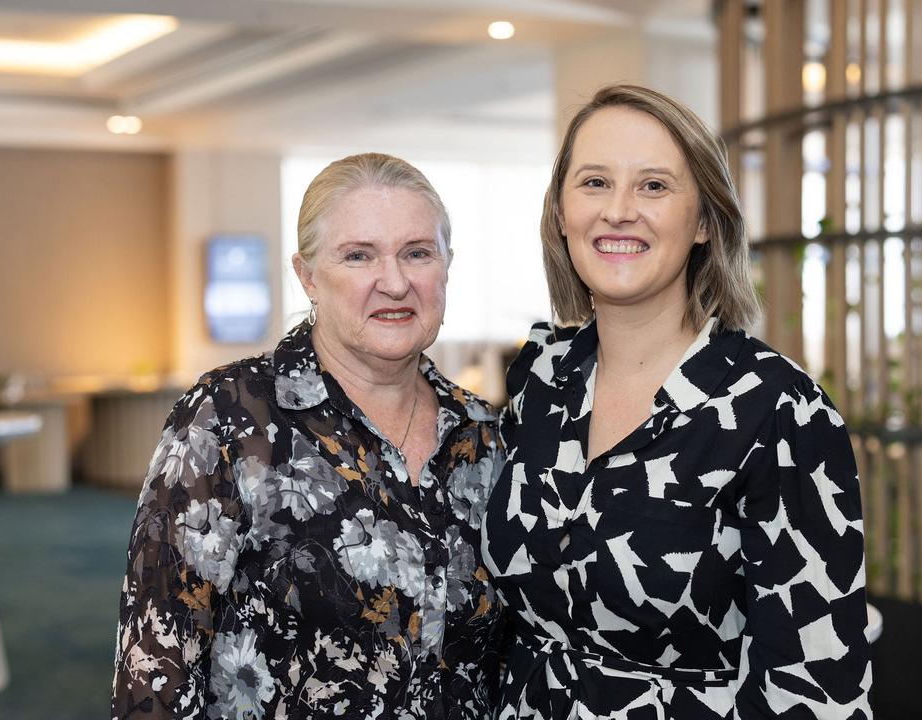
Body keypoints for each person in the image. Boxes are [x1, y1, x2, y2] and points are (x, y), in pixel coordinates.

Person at [481, 85, 871, 718]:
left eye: (654, 186)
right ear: (560, 212)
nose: (619, 211)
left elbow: (817, 690)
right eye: (595, 183)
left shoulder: (776, 411)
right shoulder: (542, 380)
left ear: (703, 223)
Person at [112, 153, 505, 720]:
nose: (394, 282)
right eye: (358, 255)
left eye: (417, 253)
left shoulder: (483, 436)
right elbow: (155, 670)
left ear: (447, 264)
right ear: (308, 275)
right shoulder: (228, 420)